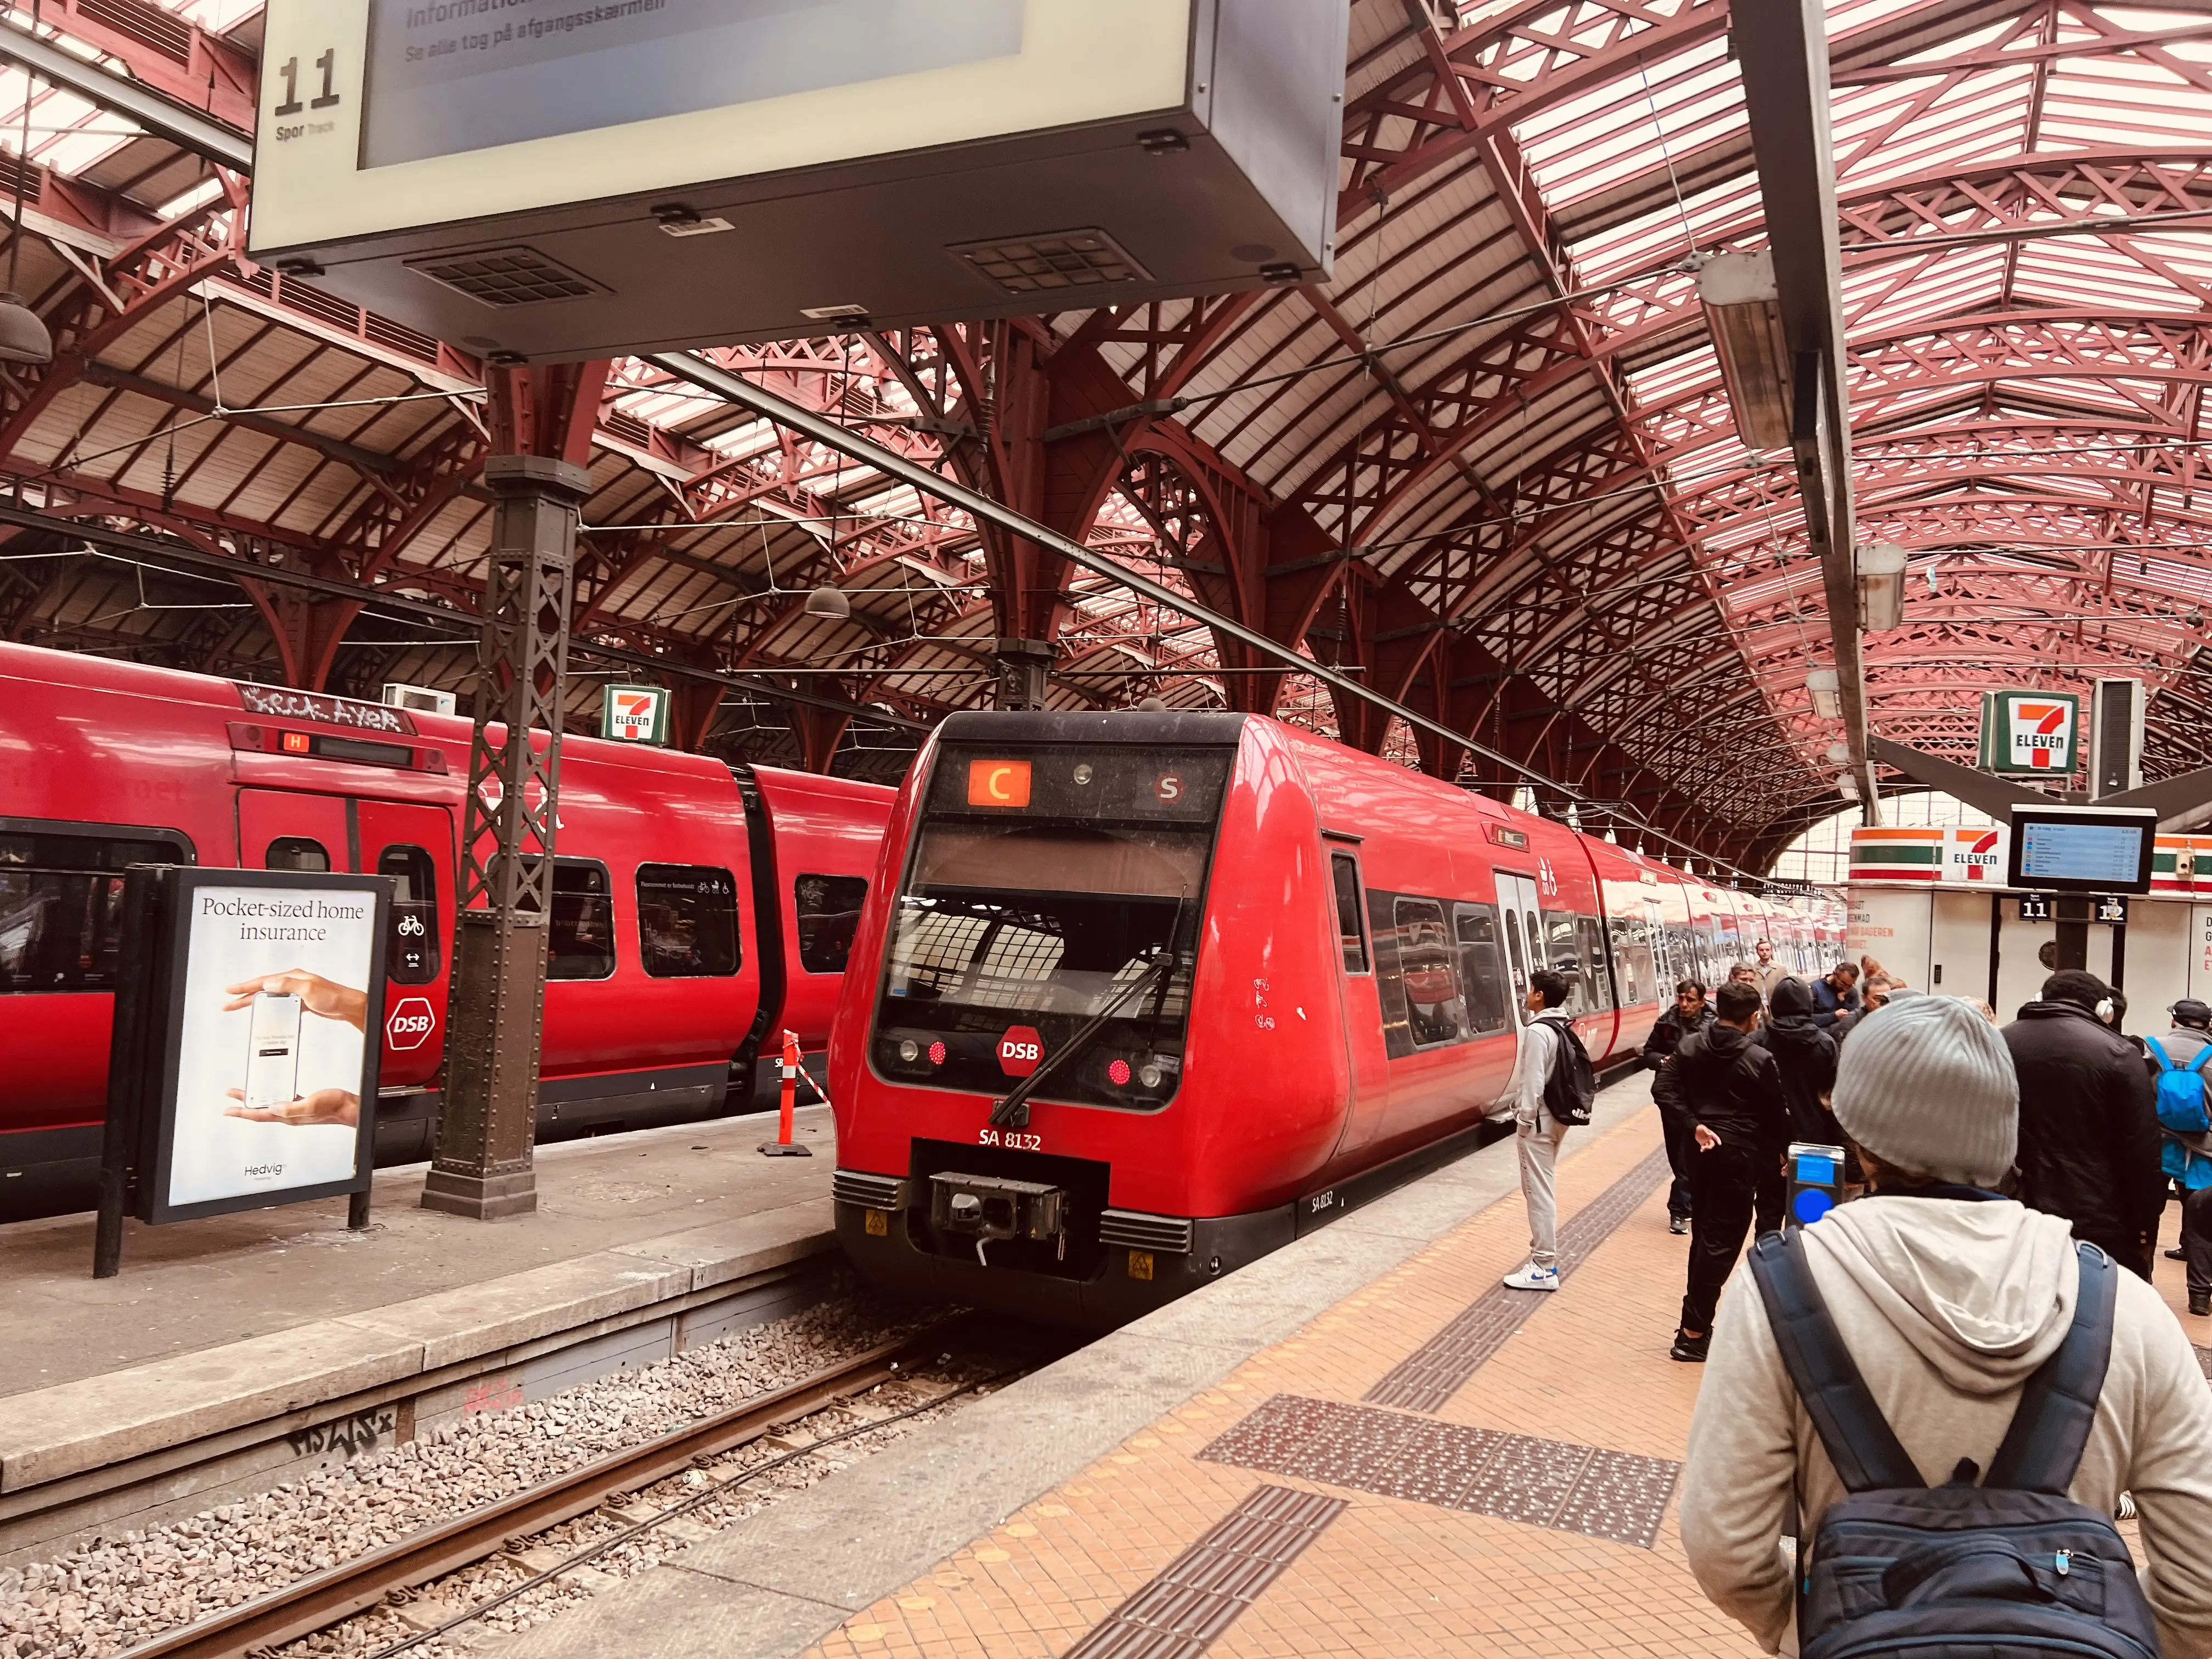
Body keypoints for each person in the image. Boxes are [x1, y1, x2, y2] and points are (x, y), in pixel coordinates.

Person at [1679, 995, 2212, 1659]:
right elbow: (2204, 1585)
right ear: (2007, 1131)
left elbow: (1723, 1546)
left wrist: (1803, 1632)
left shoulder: (1778, 1290)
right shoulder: (2126, 1308)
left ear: (1858, 1134)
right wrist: (2103, 1632)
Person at [2004, 969, 2165, 1279]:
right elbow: (2141, 1149)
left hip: (2014, 1208)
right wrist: (2144, 1225)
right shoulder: (2119, 1053)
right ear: (2105, 1010)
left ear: (2039, 1000)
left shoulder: (2000, 1041)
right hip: (2095, 1214)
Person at [1669, 980, 1787, 1362]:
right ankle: (1692, 1333)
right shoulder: (1759, 1059)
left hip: (1699, 1151)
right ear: (1754, 1017)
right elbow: (1774, 1114)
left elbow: (1663, 1089)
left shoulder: (1689, 1047)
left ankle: (1694, 1323)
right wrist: (1782, 1154)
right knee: (1721, 1244)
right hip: (1739, 1157)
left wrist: (1693, 1125)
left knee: (1704, 1234)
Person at [1502, 969, 1578, 1292]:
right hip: (1557, 1118)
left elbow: (1533, 1081)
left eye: (1530, 990)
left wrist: (1523, 1122)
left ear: (1540, 997)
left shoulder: (1537, 1031)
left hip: (1539, 1121)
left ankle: (1543, 1266)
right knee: (1542, 1186)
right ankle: (1541, 1255)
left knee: (1538, 1192)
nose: (1526, 994)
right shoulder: (1562, 1024)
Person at [2151, 999, 2212, 1315]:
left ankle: (2141, 1281)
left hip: (2157, 1146)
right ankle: (2200, 1297)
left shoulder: (2150, 1049)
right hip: (2203, 1150)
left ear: (2175, 1021)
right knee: (2202, 1220)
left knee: (2147, 1215)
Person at [1644, 979, 1714, 1235]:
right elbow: (1648, 1053)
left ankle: (1681, 1209)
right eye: (1681, 998)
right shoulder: (1666, 1023)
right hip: (1672, 1099)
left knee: (1695, 1155)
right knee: (1679, 1156)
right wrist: (1662, 1061)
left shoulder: (1714, 1024)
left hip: (1703, 1100)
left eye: (1690, 1000)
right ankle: (1686, 1206)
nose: (1684, 1004)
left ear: (1702, 1002)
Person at [1753, 975, 1840, 1147]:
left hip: (1768, 1133)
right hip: (1816, 1132)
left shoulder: (1756, 1041)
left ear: (1774, 1005)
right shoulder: (1825, 1043)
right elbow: (1834, 1092)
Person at [1811, 961, 1860, 1031]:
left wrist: (1843, 1002)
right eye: (1843, 983)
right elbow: (1805, 1019)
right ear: (1834, 974)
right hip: (1821, 1034)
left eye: (1850, 985)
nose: (1845, 988)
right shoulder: (1815, 990)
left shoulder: (1851, 991)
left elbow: (1855, 1017)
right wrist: (1833, 1016)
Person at [1750, 938, 1791, 1004]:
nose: (1765, 952)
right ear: (1757, 952)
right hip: (1760, 1006)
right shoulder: (1752, 969)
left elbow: (1787, 988)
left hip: (1777, 1005)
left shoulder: (1781, 969)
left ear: (1771, 951)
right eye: (1762, 950)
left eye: (1767, 950)